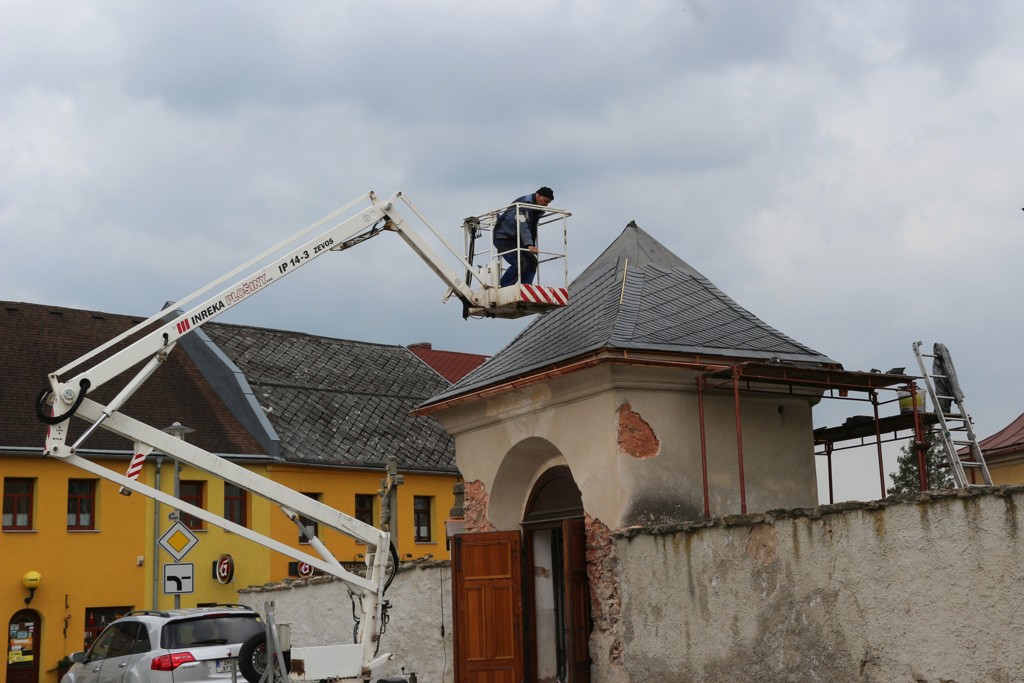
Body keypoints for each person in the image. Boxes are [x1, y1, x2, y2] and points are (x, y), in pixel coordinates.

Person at [493, 186, 554, 286]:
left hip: (516, 240)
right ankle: (503, 287)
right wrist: (529, 245)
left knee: (532, 262)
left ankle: (525, 287)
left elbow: (531, 228)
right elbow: (523, 224)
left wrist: (531, 246)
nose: (546, 205)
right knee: (520, 263)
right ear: (538, 195)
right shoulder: (524, 204)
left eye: (548, 202)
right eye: (546, 201)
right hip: (503, 237)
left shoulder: (534, 208)